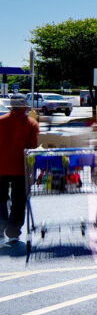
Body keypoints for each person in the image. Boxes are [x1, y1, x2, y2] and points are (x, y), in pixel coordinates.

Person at [0, 95, 39, 242]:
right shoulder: (31, 124)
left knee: (1, 198)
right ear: (25, 106)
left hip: (1, 167)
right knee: (18, 200)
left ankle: (0, 225)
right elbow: (33, 147)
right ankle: (13, 230)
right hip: (21, 168)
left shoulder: (1, 121)